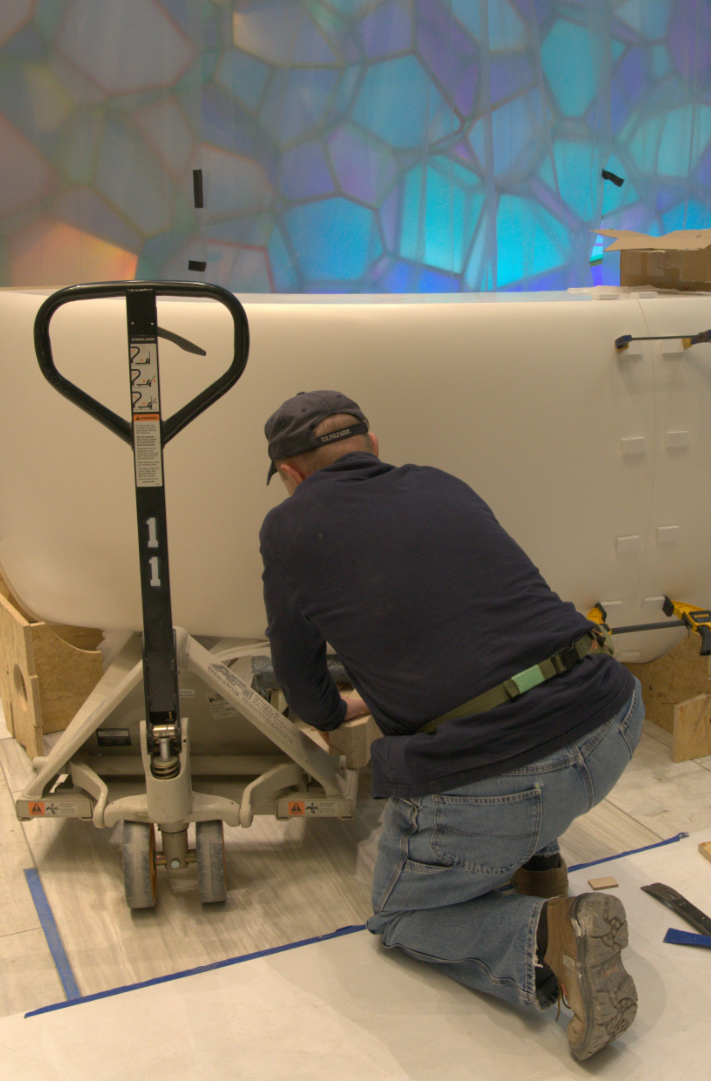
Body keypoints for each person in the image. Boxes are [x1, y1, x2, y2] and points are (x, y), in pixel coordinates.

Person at [257, 390, 645, 1062]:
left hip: (506, 774)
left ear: (290, 477)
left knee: (402, 916)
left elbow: (298, 672)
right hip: (611, 716)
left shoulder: (287, 528)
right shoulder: (440, 482)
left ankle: (548, 932)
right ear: (372, 446)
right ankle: (536, 854)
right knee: (522, 768)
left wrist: (331, 714)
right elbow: (468, 613)